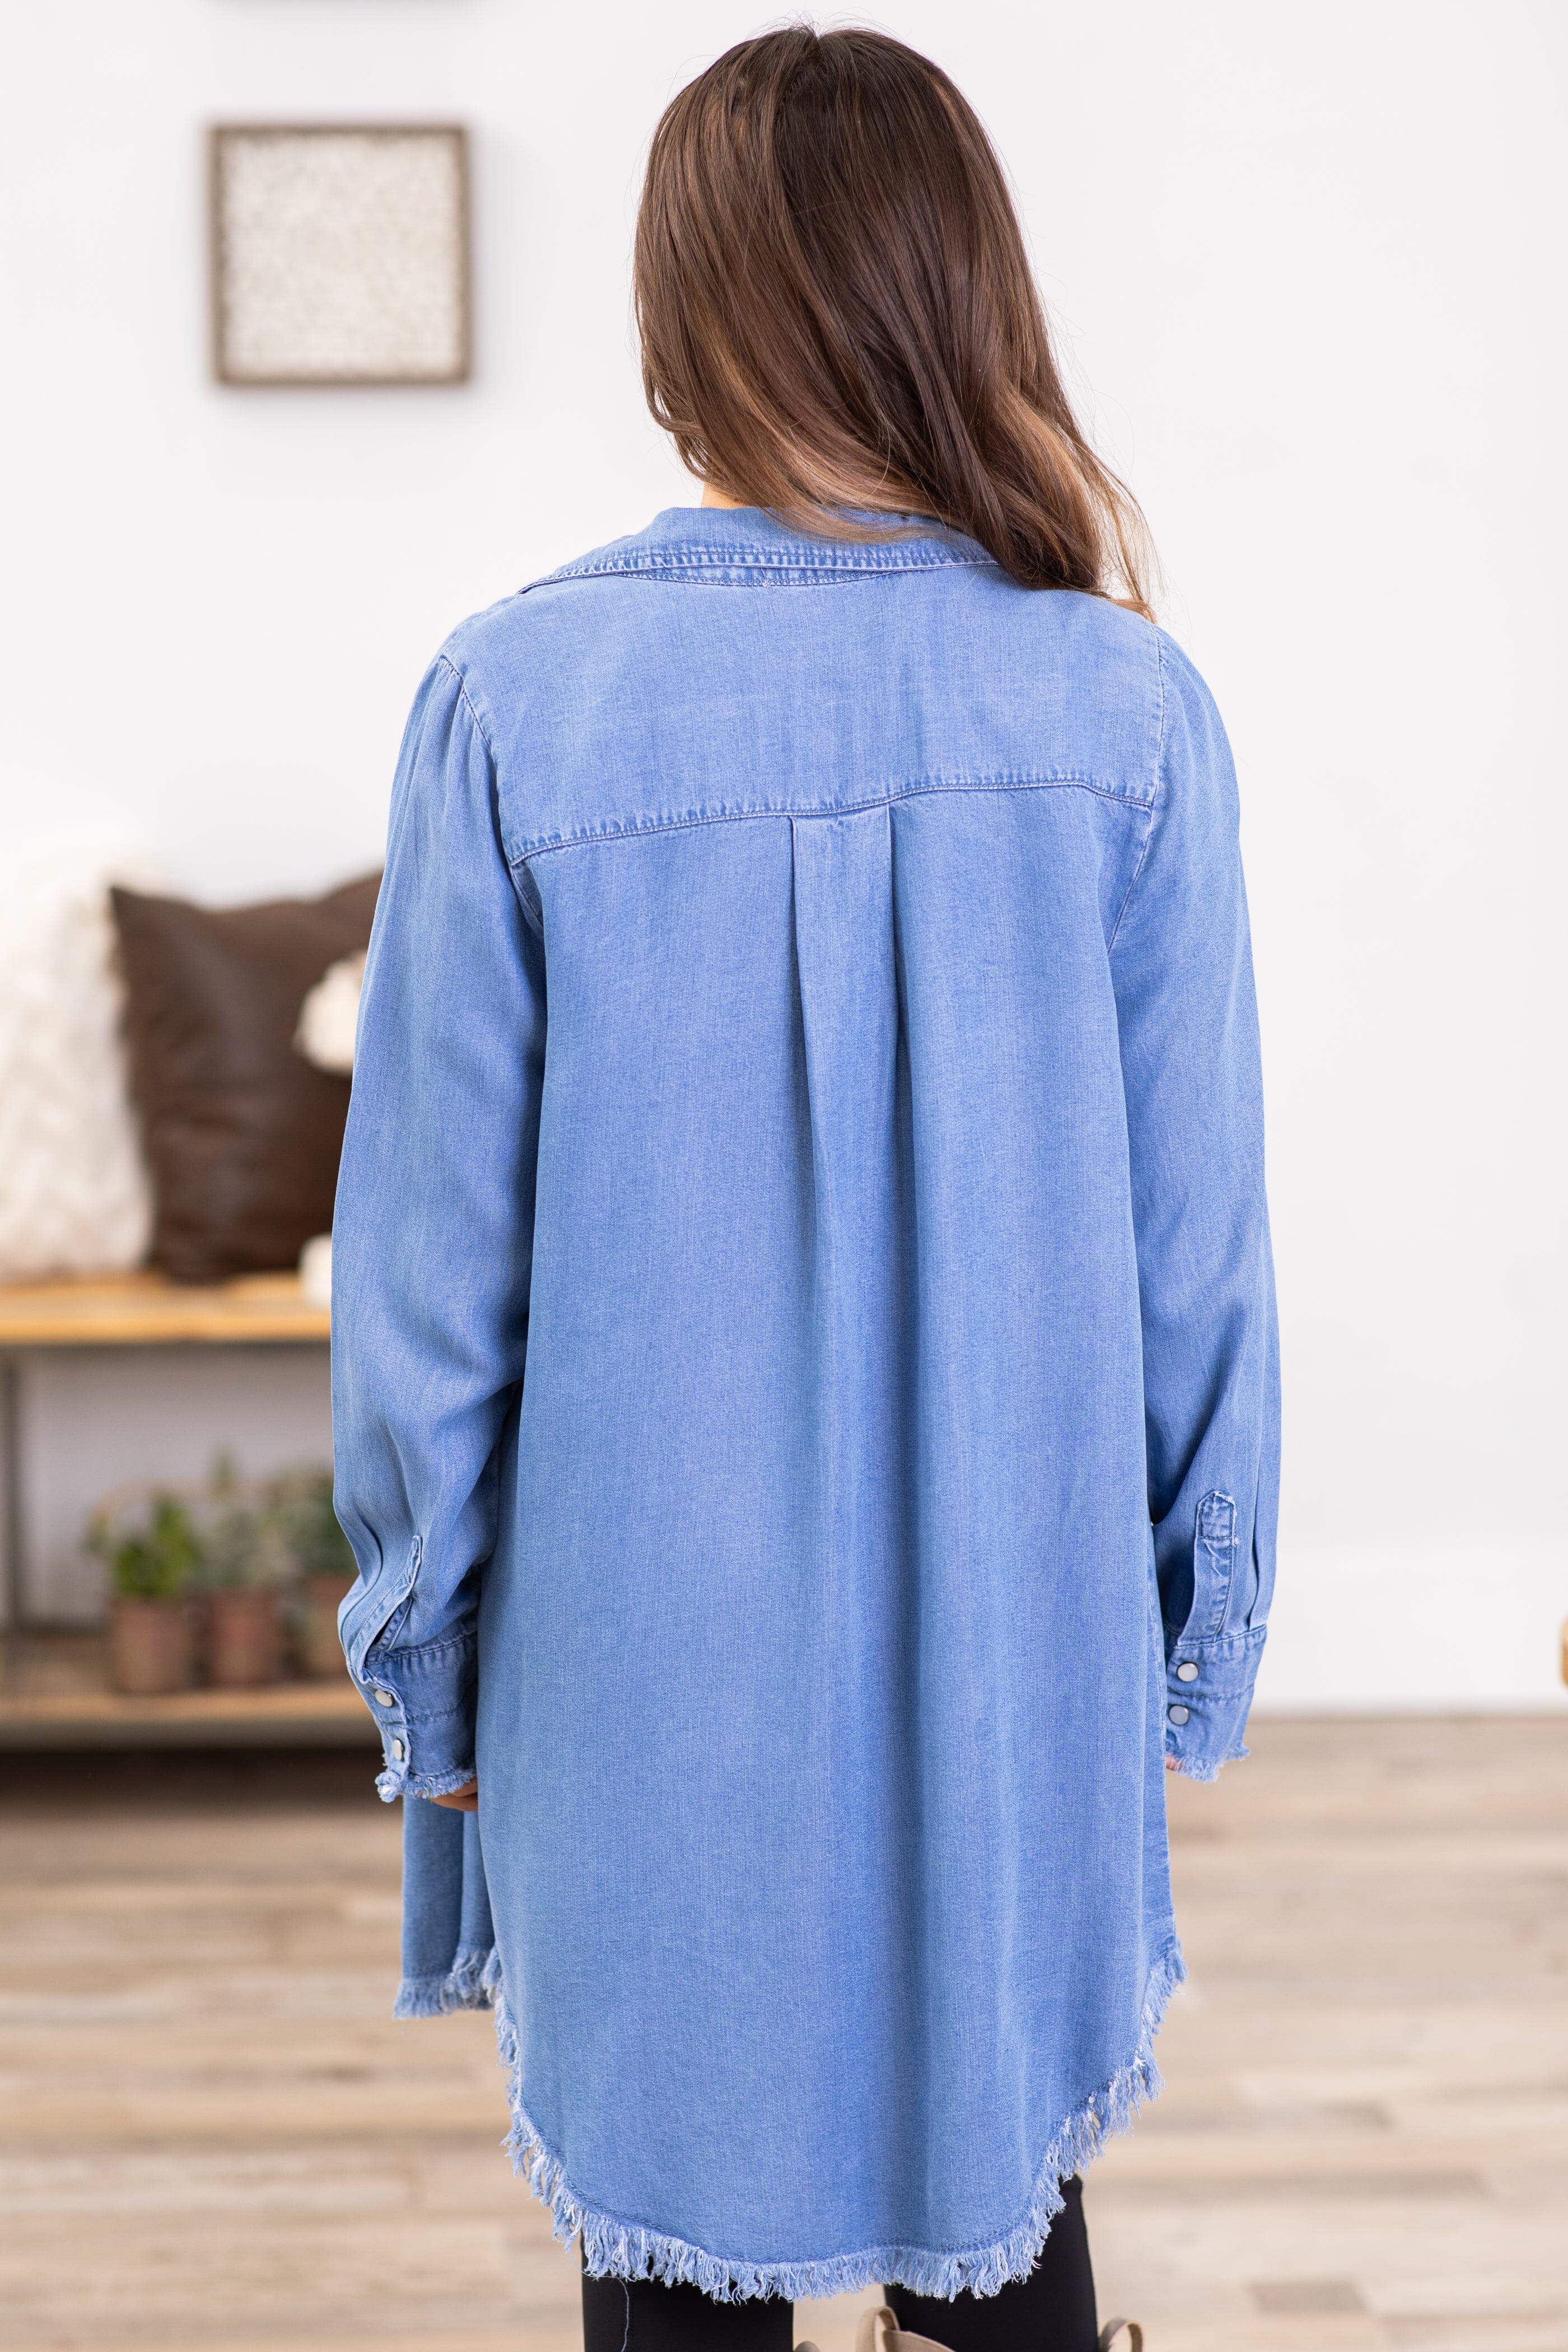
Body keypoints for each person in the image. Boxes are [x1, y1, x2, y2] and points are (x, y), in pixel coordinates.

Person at [331, 26, 1278, 2352]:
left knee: (668, 2271)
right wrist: (1185, 1631)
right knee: (1011, 2227)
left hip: (631, 1657)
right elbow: (1196, 1270)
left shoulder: (516, 703)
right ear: (964, 288)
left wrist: (427, 1657)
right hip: (1018, 1633)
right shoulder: (1125, 715)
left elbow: (430, 1291)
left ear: (680, 309)